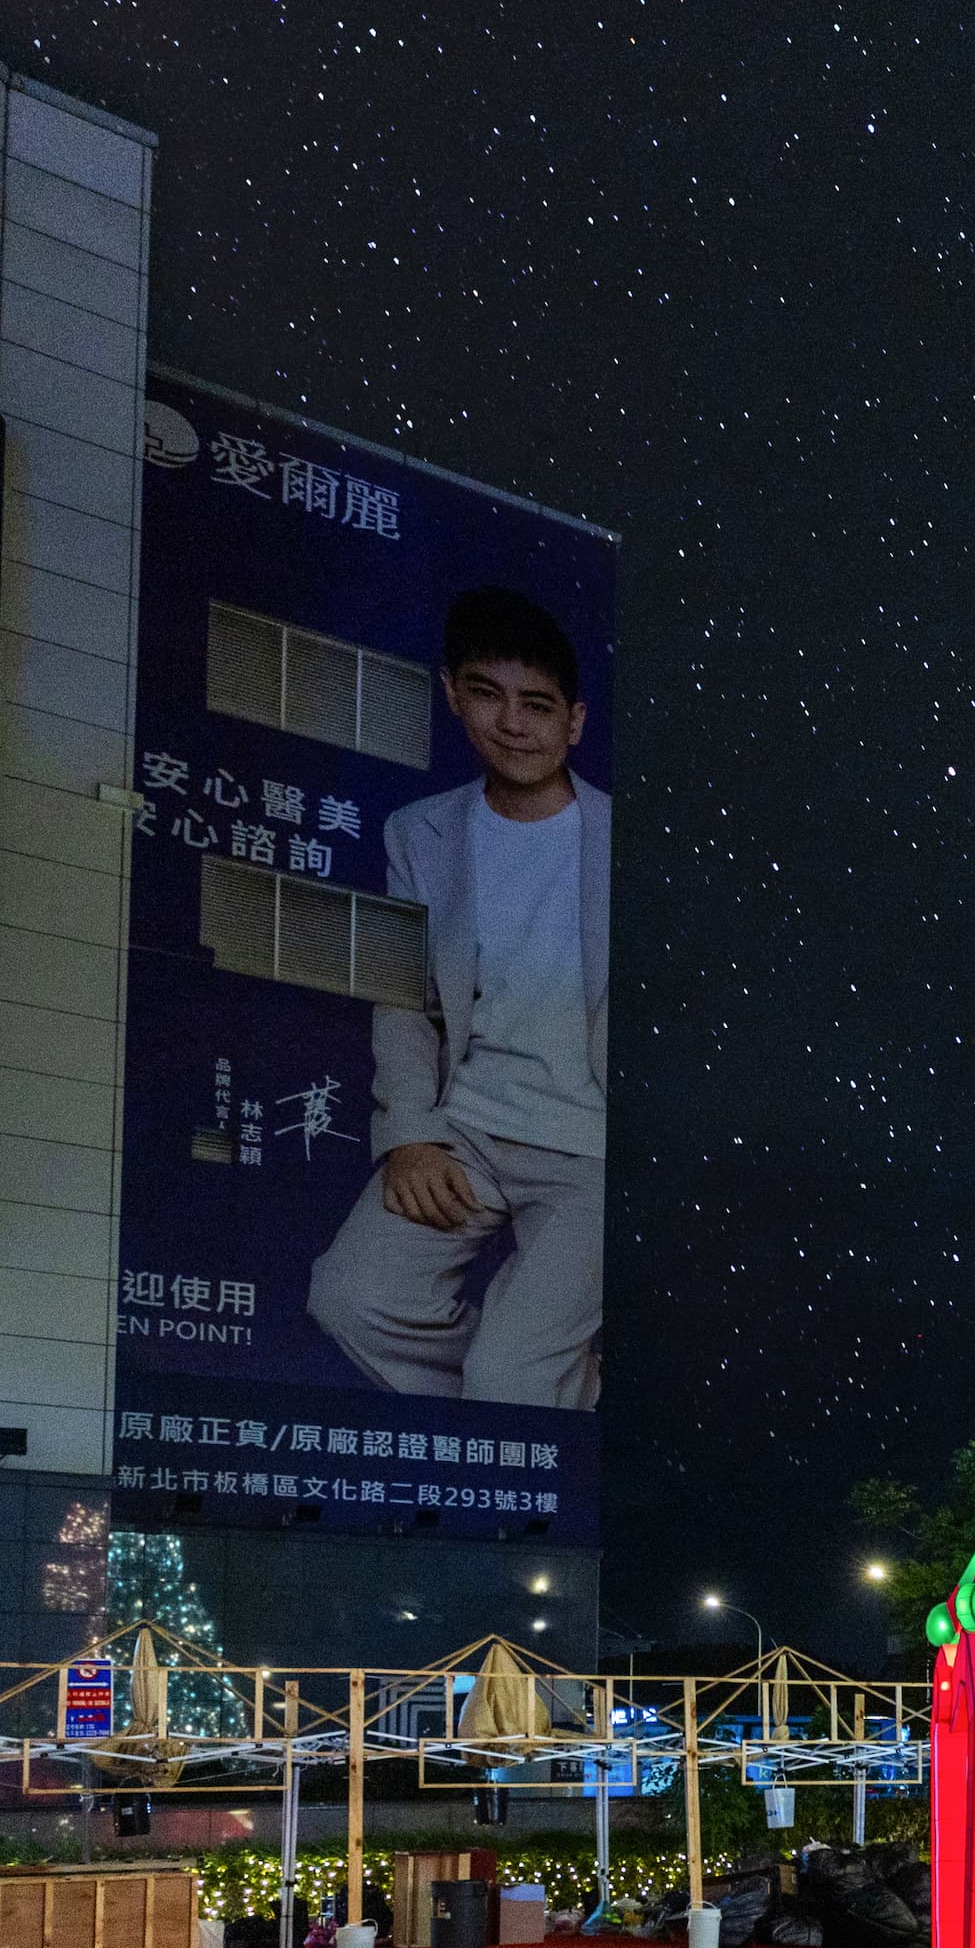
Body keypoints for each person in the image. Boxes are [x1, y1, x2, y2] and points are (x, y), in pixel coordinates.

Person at [307, 587, 608, 1408]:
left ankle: (520, 1393)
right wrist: (409, 1136)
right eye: (487, 693)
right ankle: (559, 1397)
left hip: (594, 1154)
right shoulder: (419, 832)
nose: (512, 723)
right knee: (350, 1296)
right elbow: (402, 994)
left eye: (537, 705)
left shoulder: (625, 839)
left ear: (574, 721)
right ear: (453, 694)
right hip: (465, 1133)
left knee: (508, 1377)